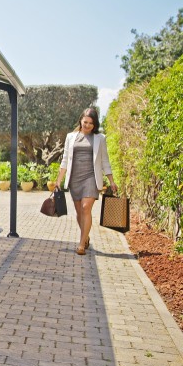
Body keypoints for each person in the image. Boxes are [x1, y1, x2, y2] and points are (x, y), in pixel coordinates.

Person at [56, 107, 118, 256]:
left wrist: (111, 181)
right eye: (85, 122)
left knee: (85, 208)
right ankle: (86, 236)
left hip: (91, 178)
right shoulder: (71, 137)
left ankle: (81, 244)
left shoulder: (100, 138)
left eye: (91, 123)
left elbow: (105, 160)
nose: (87, 125)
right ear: (81, 121)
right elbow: (65, 159)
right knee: (79, 212)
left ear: (95, 124)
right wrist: (58, 181)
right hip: (74, 178)